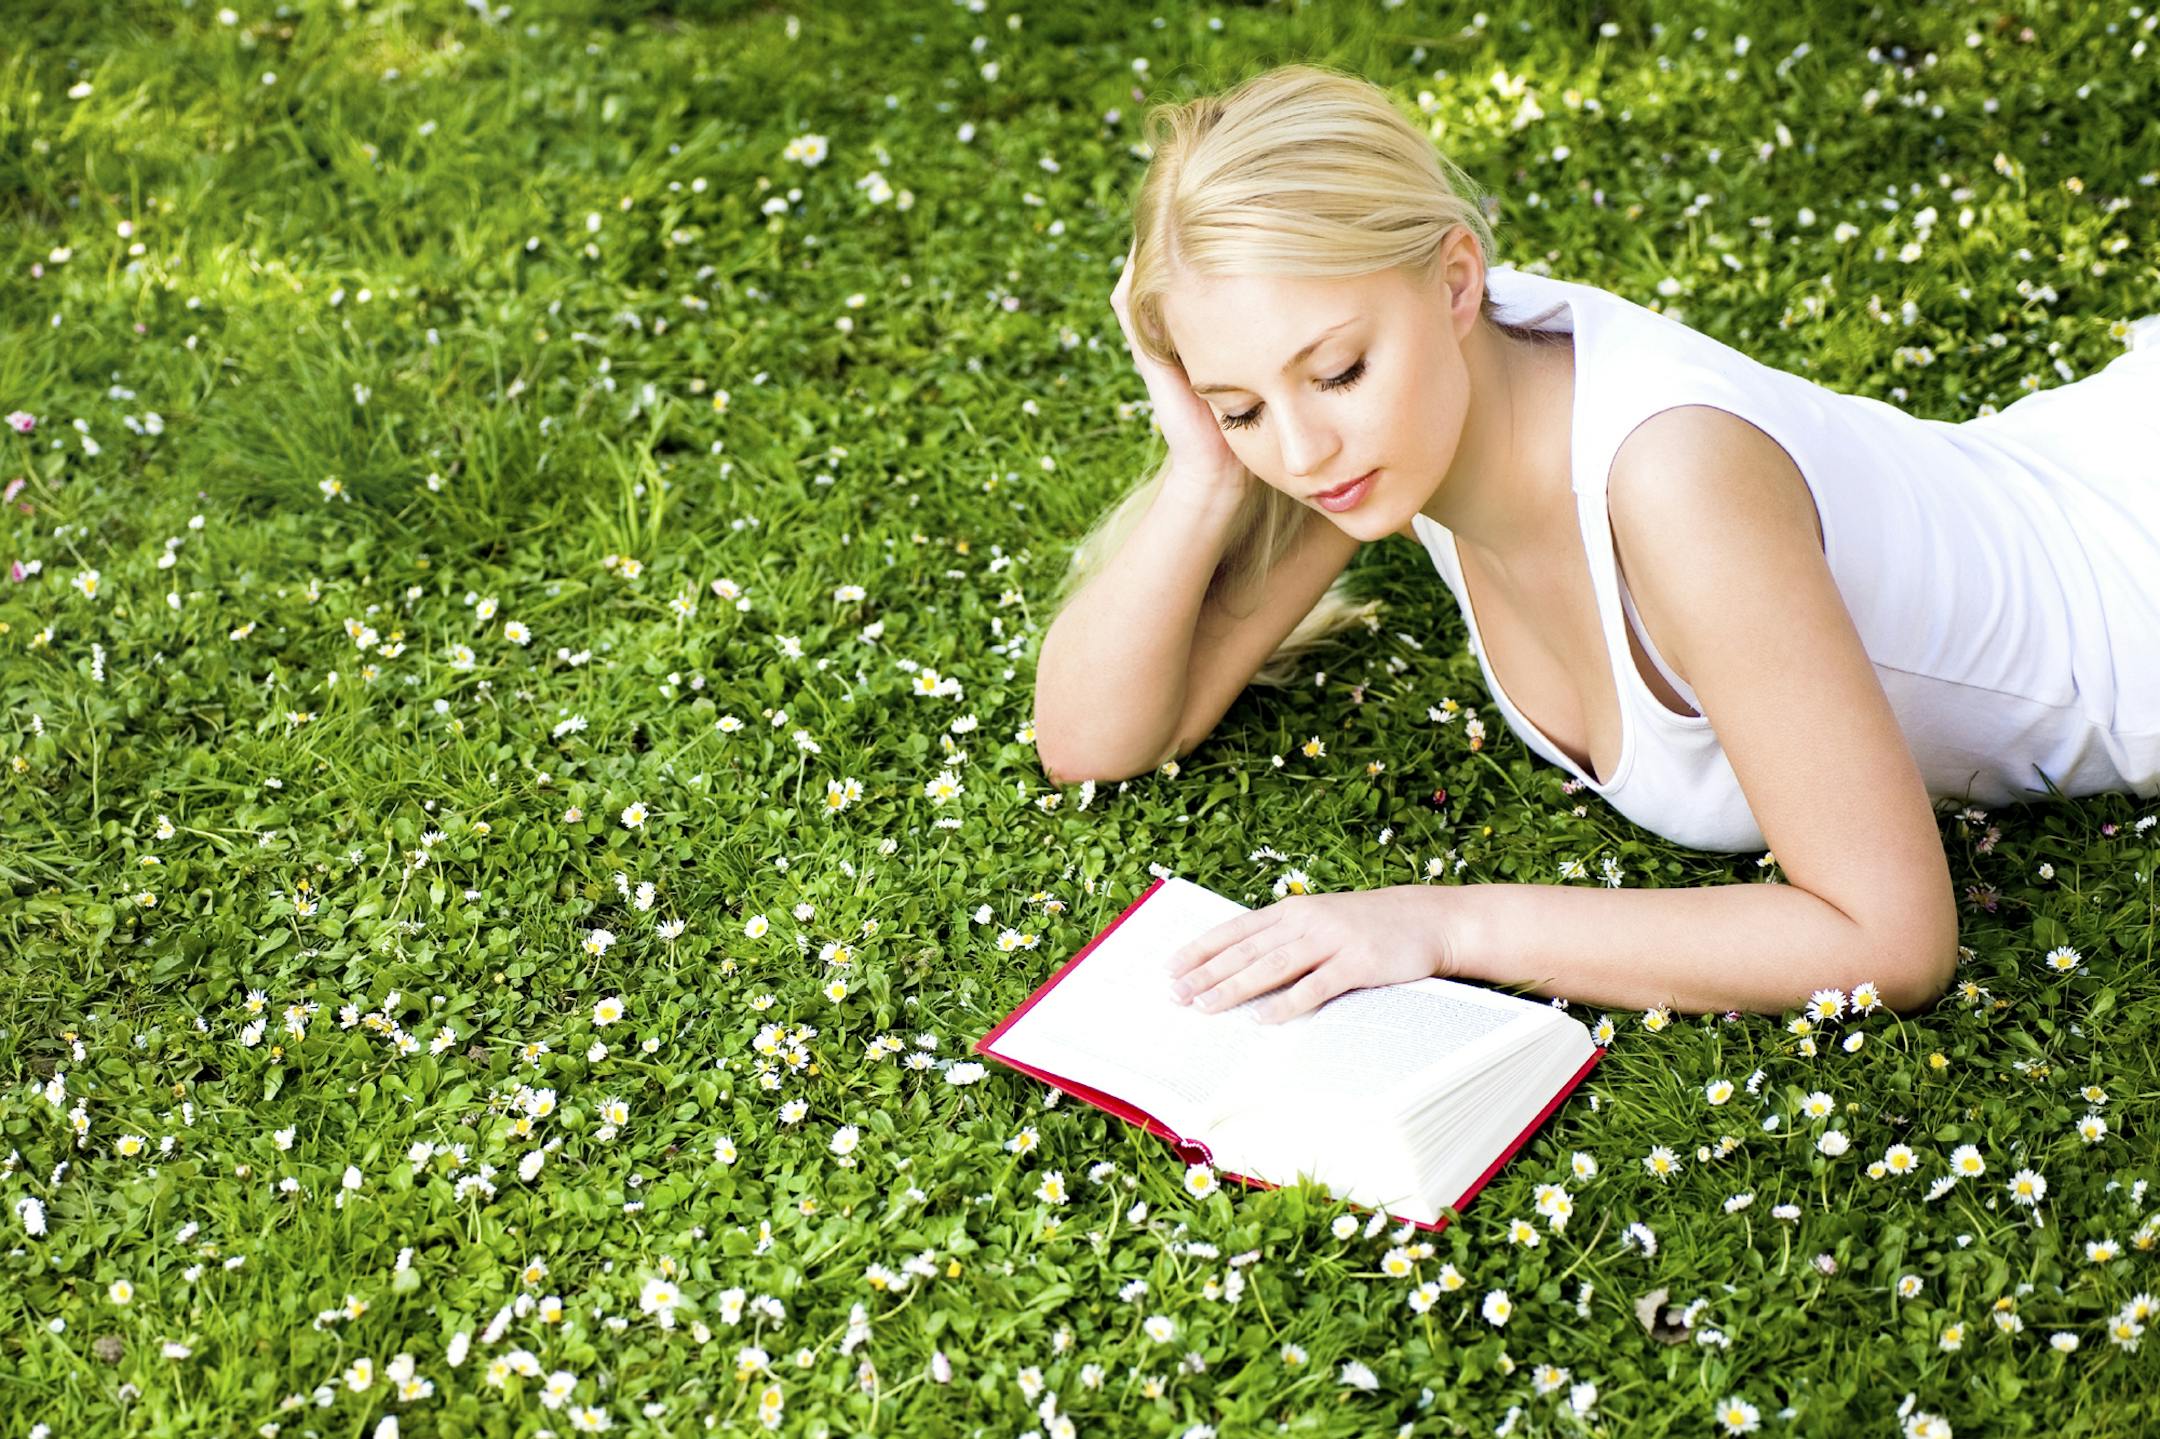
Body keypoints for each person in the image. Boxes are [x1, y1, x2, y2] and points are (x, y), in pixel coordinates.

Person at [1031, 62, 2160, 1022]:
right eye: (1241, 404)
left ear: (1457, 282)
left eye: (1335, 370)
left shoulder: (1673, 481)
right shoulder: (1386, 428)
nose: (1303, 444)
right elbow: (1097, 739)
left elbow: (1890, 937)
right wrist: (1203, 469)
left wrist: (1444, 920)